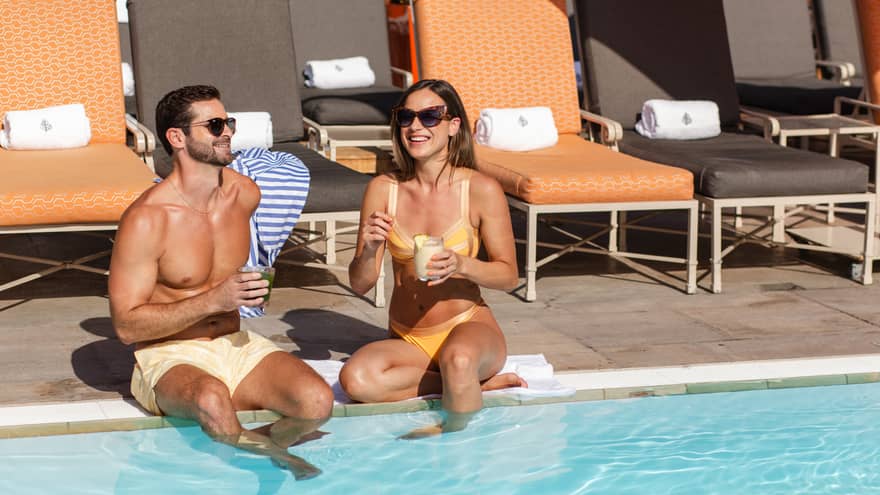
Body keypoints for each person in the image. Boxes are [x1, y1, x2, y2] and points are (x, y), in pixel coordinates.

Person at [108, 85, 333, 479]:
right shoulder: (147, 220)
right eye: (214, 125)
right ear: (177, 138)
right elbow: (127, 327)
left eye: (228, 122)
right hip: (169, 356)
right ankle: (263, 469)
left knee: (316, 403)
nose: (227, 132)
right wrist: (214, 299)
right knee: (212, 399)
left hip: (236, 345)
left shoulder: (244, 195)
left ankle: (243, 444)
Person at [340, 79, 527, 438]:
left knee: (458, 360)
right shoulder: (383, 189)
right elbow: (360, 284)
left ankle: (456, 438)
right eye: (406, 116)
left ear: (453, 126)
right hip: (407, 337)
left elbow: (508, 276)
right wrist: (366, 248)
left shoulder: (480, 190)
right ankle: (471, 386)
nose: (415, 126)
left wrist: (462, 264)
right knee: (357, 379)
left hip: (467, 325)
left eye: (429, 116)